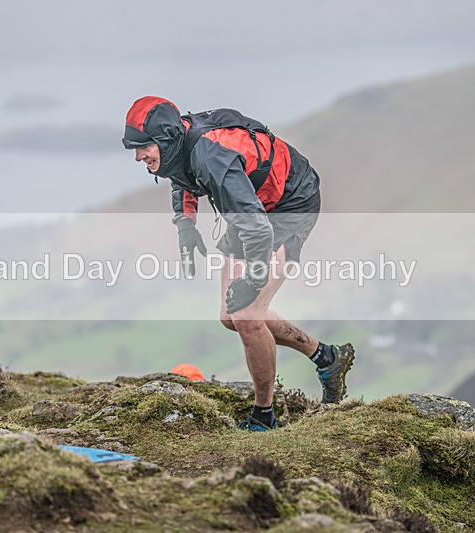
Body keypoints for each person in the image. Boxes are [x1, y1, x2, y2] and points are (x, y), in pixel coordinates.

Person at [122, 96, 355, 431]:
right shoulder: (179, 143)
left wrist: (252, 281)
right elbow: (181, 176)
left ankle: (264, 417)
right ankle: (326, 357)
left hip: (290, 205)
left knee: (246, 315)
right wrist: (185, 224)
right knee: (229, 316)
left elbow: (258, 229)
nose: (138, 156)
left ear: (165, 138)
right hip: (251, 206)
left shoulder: (211, 156)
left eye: (144, 147)